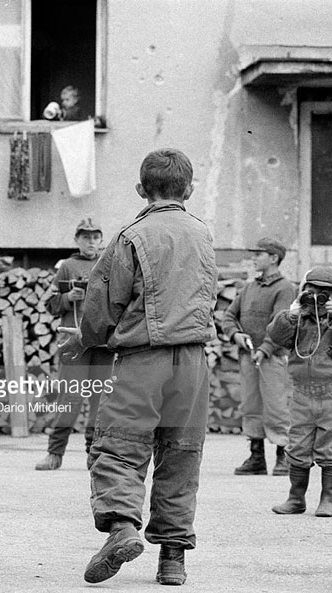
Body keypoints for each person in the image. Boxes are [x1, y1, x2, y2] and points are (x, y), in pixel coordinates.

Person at [59, 148, 217, 586]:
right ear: (189, 189)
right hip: (192, 364)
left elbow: (101, 303)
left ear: (140, 190)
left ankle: (122, 528)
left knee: (118, 449)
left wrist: (89, 338)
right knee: (181, 457)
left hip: (141, 360)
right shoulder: (203, 234)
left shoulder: (131, 236)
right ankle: (172, 561)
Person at [36, 217, 113, 471]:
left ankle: (95, 454)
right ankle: (54, 453)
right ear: (77, 239)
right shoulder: (66, 267)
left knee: (100, 400)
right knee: (71, 397)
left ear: (101, 240)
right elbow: (49, 304)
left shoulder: (110, 264)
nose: (91, 241)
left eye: (95, 236)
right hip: (74, 344)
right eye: (85, 237)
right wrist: (68, 297)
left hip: (102, 344)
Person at [222, 238, 295, 476]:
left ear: (273, 258)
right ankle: (256, 456)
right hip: (248, 356)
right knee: (251, 405)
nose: (254, 258)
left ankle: (283, 456)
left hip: (272, 358)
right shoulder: (249, 288)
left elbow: (281, 324)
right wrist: (236, 336)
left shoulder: (284, 288)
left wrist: (264, 349)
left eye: (259, 254)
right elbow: (229, 317)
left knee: (276, 406)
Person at [266, 266, 332, 517]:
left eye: (324, 294)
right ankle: (296, 498)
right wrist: (293, 314)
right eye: (310, 292)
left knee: (329, 446)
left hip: (330, 393)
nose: (316, 299)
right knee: (297, 444)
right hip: (302, 393)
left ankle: (328, 498)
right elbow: (276, 336)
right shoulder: (298, 318)